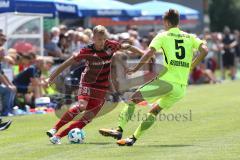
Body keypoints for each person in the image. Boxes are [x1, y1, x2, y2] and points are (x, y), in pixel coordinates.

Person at [99, 9, 208, 146]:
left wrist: (136, 68)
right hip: (181, 88)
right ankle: (132, 139)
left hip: (166, 81)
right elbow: (205, 50)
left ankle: (119, 129)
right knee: (155, 111)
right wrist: (192, 65)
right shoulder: (190, 37)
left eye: (164, 23)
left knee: (132, 99)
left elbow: (149, 52)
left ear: (167, 22)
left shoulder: (163, 36)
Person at [45, 25, 145, 144]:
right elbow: (67, 63)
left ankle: (57, 137)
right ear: (93, 38)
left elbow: (127, 46)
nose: (102, 42)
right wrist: (51, 77)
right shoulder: (87, 51)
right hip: (88, 82)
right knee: (82, 105)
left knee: (88, 118)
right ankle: (54, 128)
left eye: (103, 39)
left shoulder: (111, 45)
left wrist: (143, 53)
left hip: (102, 86)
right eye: (99, 39)